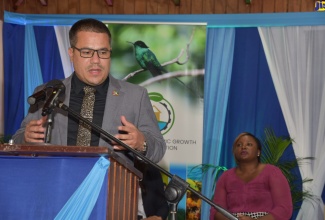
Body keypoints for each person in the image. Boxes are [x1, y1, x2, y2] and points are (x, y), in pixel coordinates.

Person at [11, 18, 166, 164]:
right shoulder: (48, 93)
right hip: (58, 186)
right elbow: (17, 139)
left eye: (103, 52)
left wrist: (142, 143)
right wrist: (26, 139)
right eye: (87, 52)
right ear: (71, 54)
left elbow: (158, 148)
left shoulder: (135, 96)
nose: (96, 60)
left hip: (111, 188)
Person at [210, 132, 293, 220]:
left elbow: (284, 209)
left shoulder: (272, 172)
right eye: (239, 145)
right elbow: (216, 211)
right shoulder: (225, 177)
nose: (243, 147)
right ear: (234, 153)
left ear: (258, 152)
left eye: (249, 144)